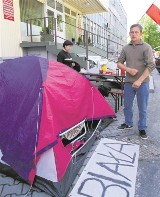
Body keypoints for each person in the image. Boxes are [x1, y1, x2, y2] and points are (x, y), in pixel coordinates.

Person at [117, 24, 155, 139]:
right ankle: (128, 123)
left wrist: (139, 80)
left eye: (136, 32)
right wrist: (128, 69)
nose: (133, 34)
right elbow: (119, 63)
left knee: (142, 107)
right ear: (129, 33)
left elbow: (151, 65)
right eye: (132, 32)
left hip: (142, 83)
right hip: (128, 82)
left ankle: (142, 128)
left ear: (140, 34)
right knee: (127, 106)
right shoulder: (126, 48)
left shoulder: (146, 47)